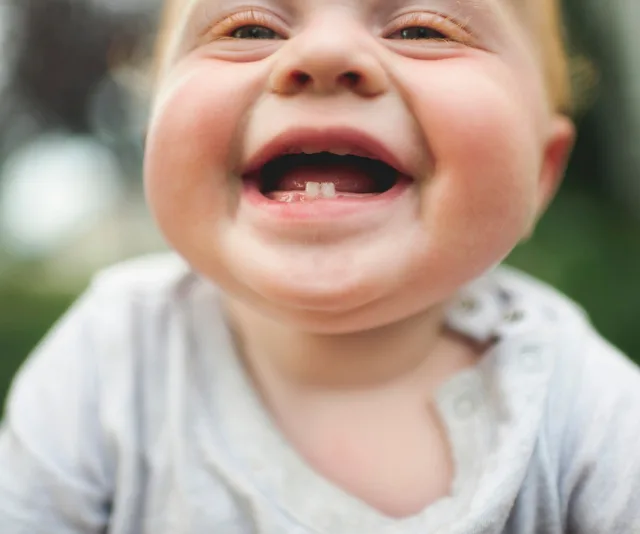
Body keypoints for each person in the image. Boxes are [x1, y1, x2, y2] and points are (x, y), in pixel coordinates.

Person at [2, 0, 640, 532]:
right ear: (154, 141)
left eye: (423, 29)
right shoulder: (110, 364)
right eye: (249, 29)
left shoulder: (587, 417)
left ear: (541, 172)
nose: (324, 56)